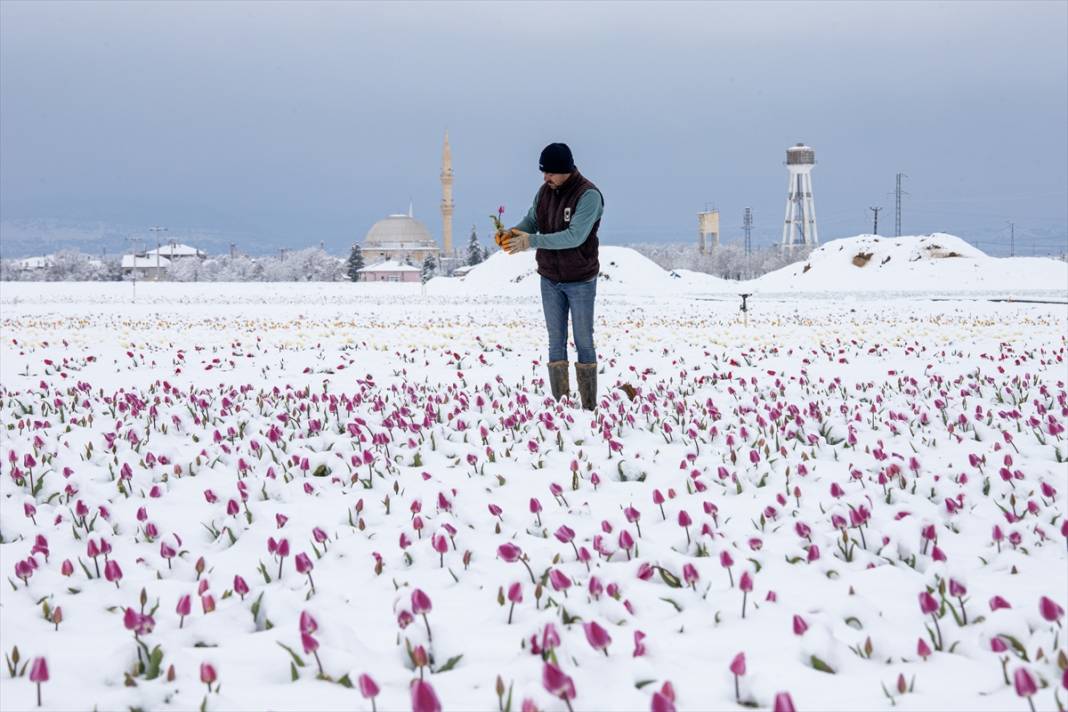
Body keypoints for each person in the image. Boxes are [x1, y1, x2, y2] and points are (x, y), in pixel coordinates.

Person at [498, 142, 604, 410]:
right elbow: (532, 221)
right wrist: (511, 233)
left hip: (580, 279)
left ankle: (589, 406)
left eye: (550, 173)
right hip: (550, 278)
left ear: (565, 170)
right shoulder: (545, 192)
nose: (545, 178)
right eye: (543, 173)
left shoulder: (588, 195)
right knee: (555, 339)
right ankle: (561, 405)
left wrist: (530, 242)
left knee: (583, 339)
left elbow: (574, 237)